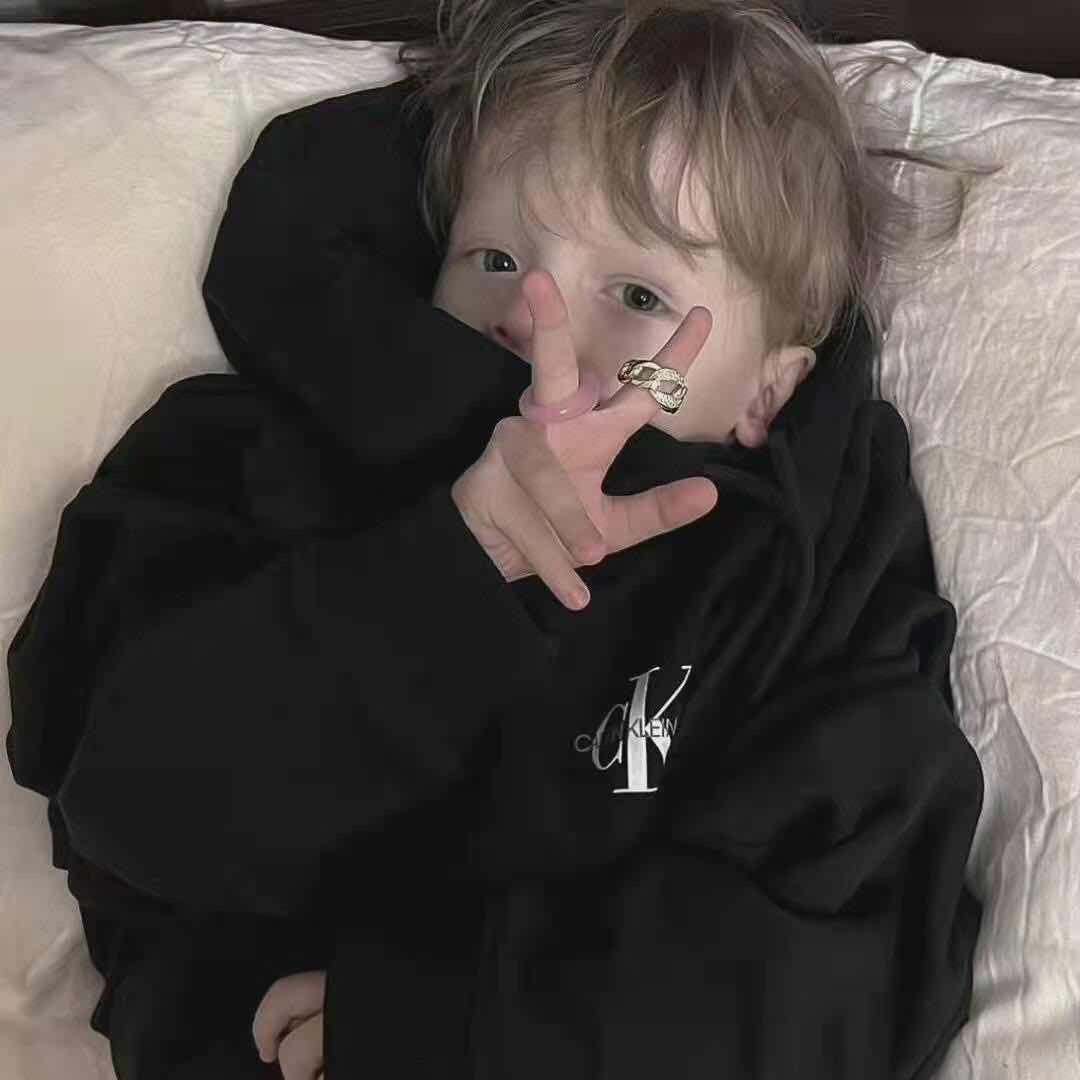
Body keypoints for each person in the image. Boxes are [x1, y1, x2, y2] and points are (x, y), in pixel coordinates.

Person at [6, 1, 989, 1077]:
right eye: (493, 257)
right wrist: (449, 576)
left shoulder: (808, 574)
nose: (533, 316)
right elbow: (129, 810)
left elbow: (855, 964)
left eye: (637, 291)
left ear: (768, 391)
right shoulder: (254, 457)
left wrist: (441, 1023)